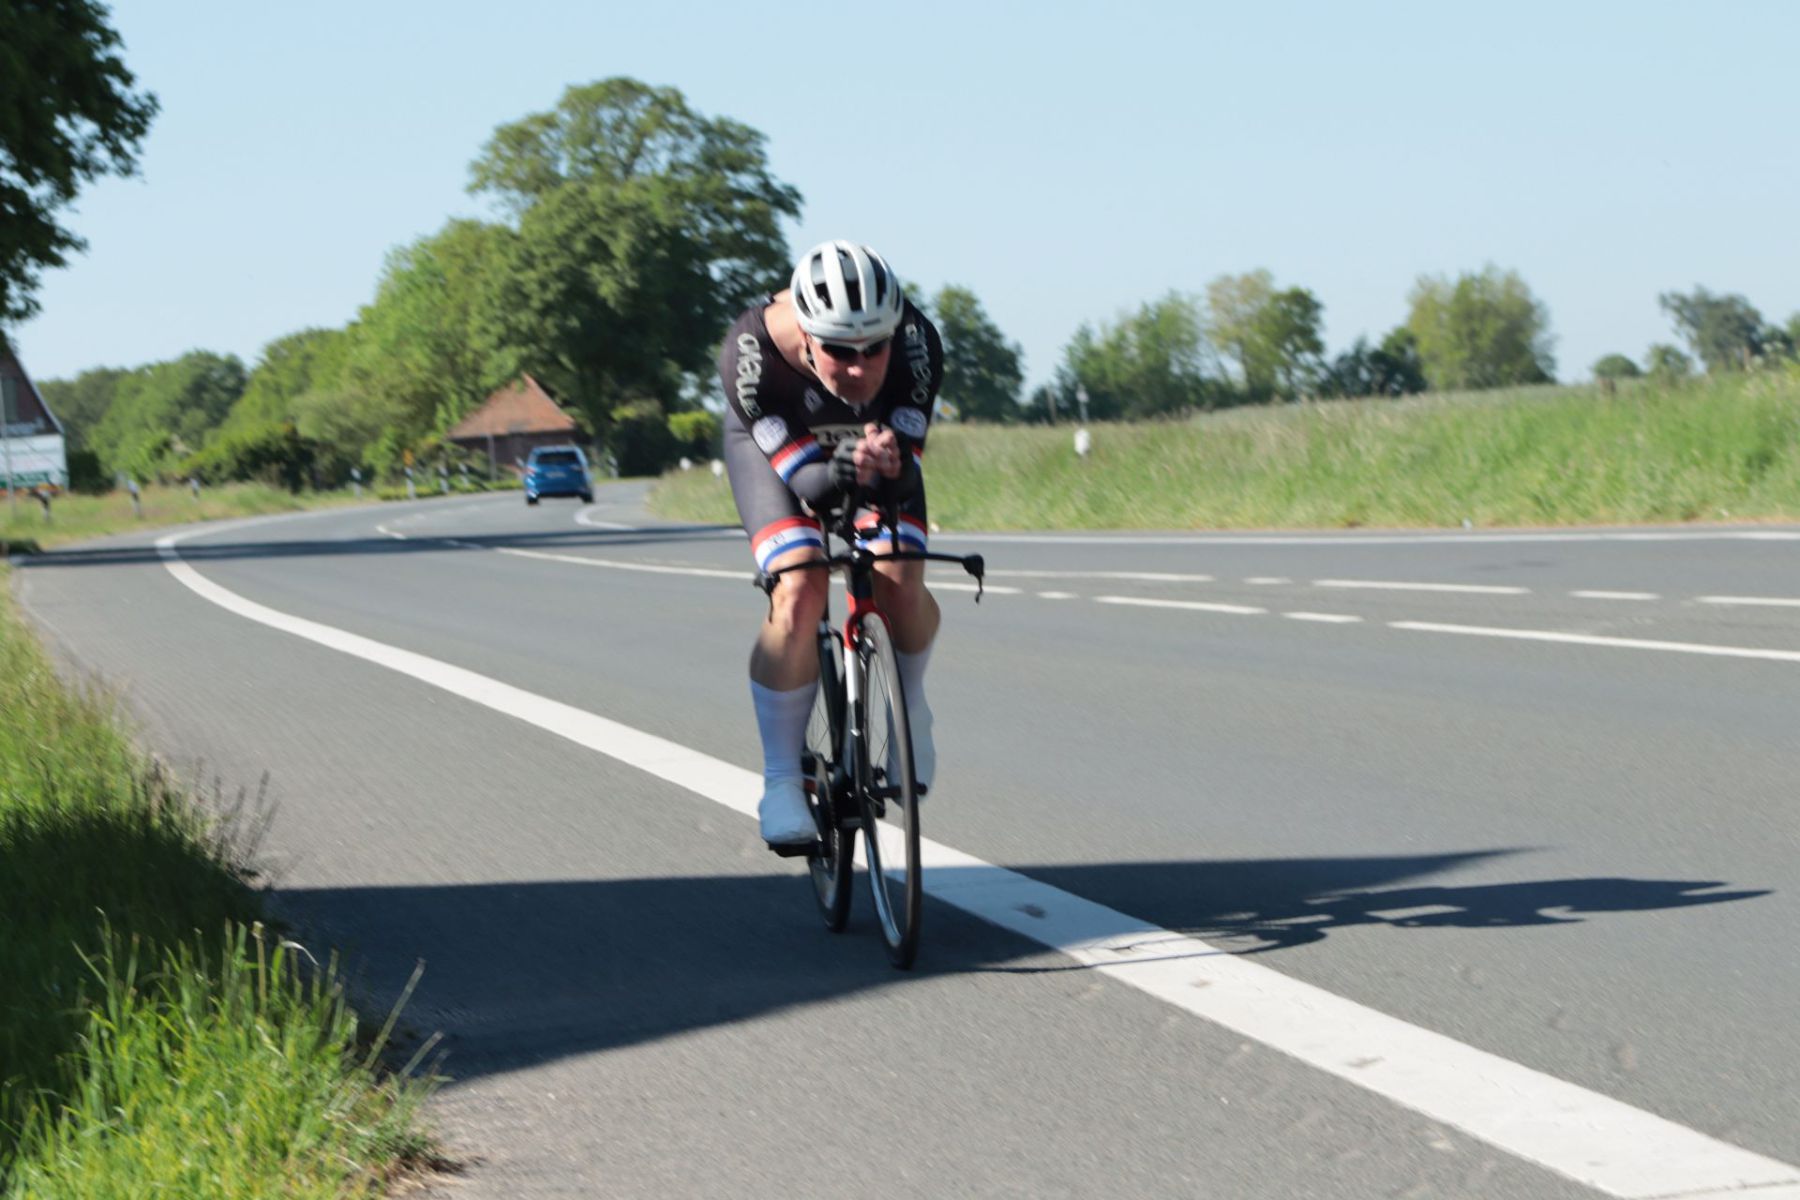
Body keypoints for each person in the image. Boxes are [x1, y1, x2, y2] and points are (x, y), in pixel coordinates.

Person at [717, 240, 945, 845]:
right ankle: (781, 781)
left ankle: (910, 708)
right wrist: (840, 469)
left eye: (875, 349)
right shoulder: (751, 353)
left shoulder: (918, 343)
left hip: (868, 438)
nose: (859, 368)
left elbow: (904, 477)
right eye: (840, 351)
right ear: (806, 334)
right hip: (779, 445)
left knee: (898, 570)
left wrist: (889, 464)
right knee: (800, 585)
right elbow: (811, 487)